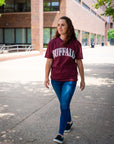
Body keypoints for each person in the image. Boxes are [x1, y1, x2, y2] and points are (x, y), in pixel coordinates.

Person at [44, 16, 85, 144]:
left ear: (69, 27)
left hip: (70, 79)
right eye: (58, 25)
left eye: (63, 25)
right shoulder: (53, 43)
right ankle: (69, 122)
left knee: (63, 105)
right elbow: (49, 61)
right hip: (56, 79)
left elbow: (79, 62)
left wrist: (82, 79)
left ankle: (60, 134)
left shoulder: (75, 44)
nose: (60, 27)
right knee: (64, 103)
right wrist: (46, 77)